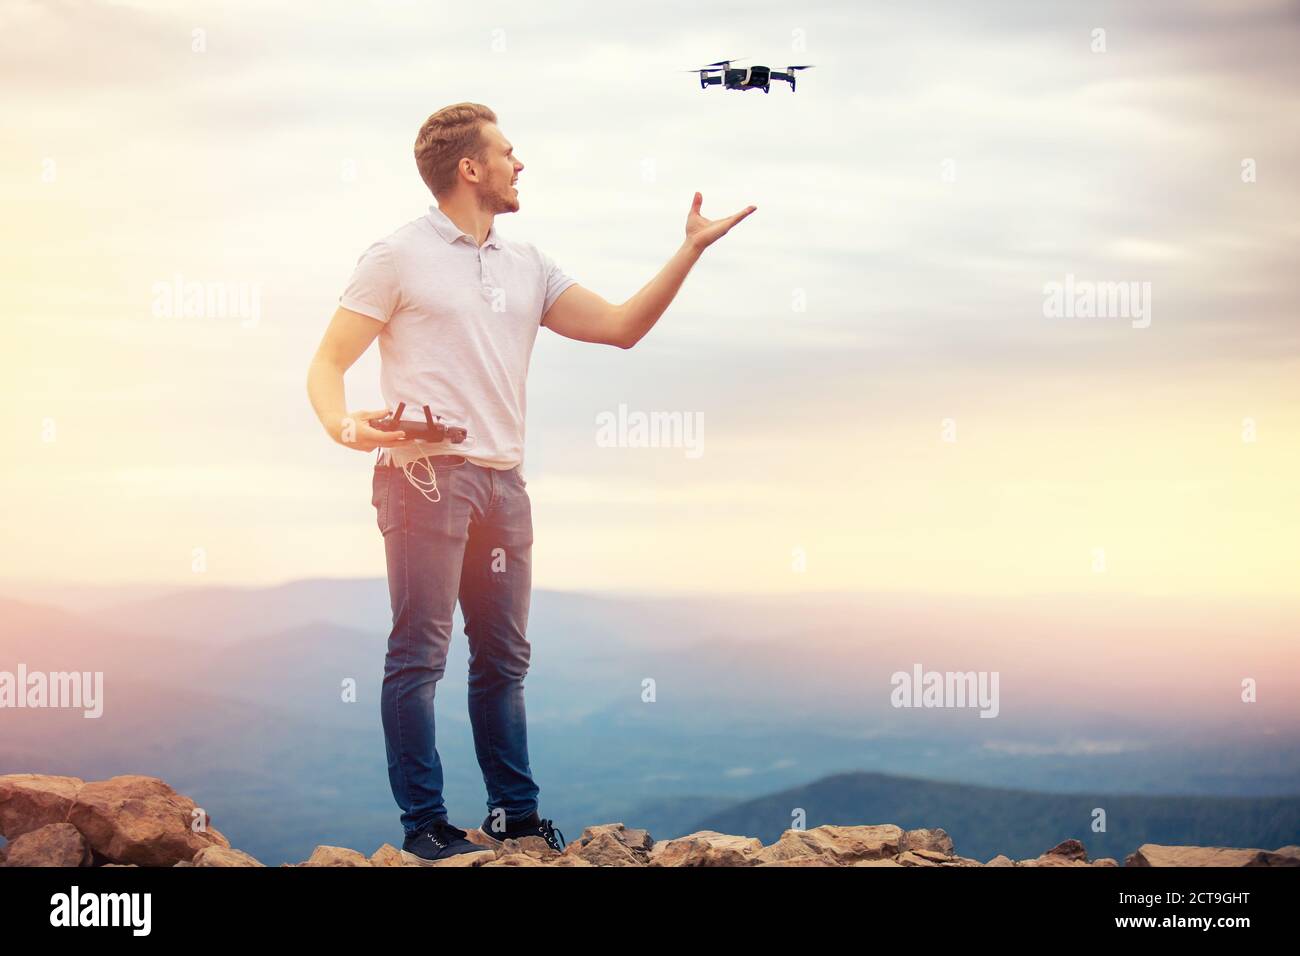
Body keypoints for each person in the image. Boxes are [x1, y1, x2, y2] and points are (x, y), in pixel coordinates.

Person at [306, 102, 755, 864]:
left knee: (504, 659)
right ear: (469, 169)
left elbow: (620, 326)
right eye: (509, 153)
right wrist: (345, 427)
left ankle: (515, 816)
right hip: (423, 481)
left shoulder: (528, 263)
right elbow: (326, 365)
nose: (522, 164)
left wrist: (690, 252)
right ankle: (426, 826)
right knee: (419, 655)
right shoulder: (395, 257)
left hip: (504, 487)